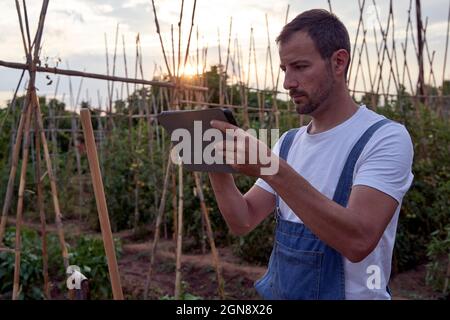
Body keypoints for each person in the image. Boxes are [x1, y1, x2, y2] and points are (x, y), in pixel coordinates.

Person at [208, 9, 414, 300]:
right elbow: (243, 220)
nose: (287, 83)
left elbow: (358, 240)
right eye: (284, 69)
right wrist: (214, 165)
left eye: (300, 67)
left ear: (339, 62)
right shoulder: (289, 143)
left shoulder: (384, 137)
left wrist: (270, 168)